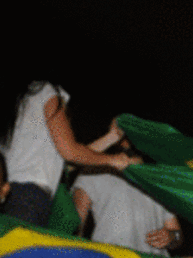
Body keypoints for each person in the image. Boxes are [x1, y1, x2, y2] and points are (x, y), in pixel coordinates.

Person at [2, 81, 136, 226]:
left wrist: (111, 137)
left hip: (13, 197)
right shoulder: (46, 91)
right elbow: (70, 151)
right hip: (28, 198)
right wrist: (113, 160)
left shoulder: (23, 99)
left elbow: (68, 163)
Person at [72, 171, 182, 255]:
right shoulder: (90, 173)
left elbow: (178, 235)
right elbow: (73, 231)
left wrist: (171, 236)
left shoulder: (157, 179)